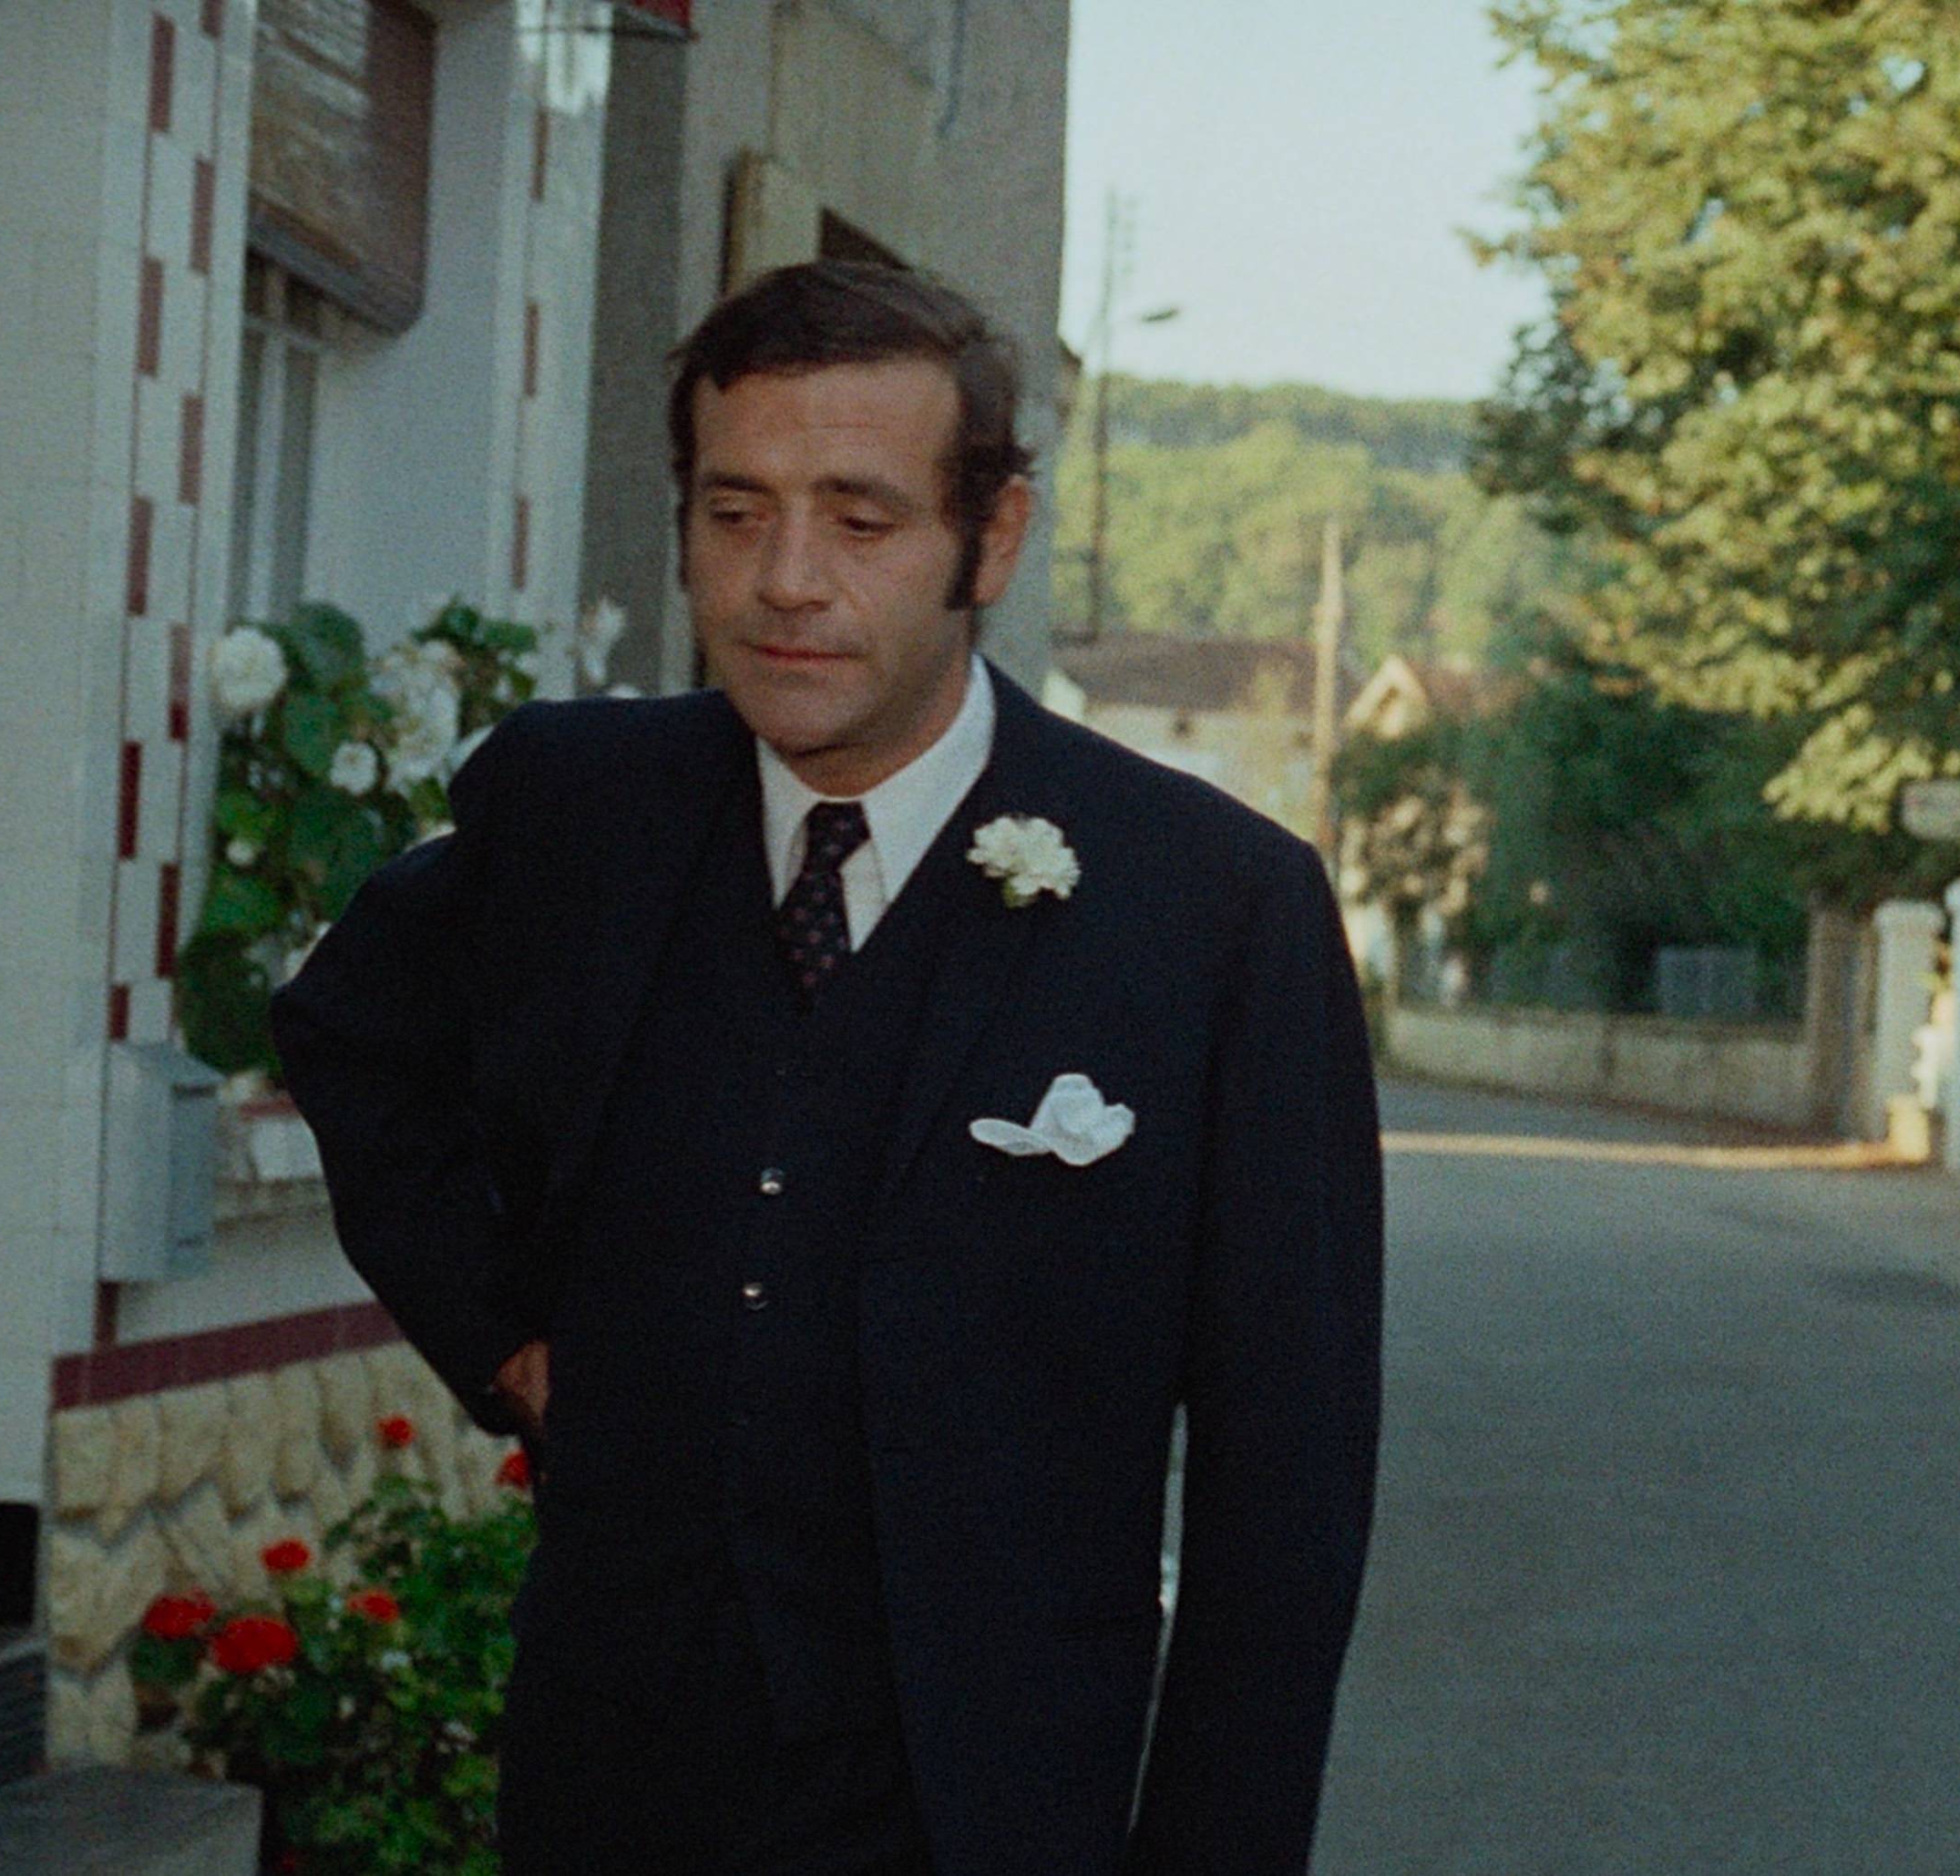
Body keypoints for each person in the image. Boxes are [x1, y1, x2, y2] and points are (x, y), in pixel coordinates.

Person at [273, 261, 1384, 1875]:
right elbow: (353, 1036)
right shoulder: (580, 811)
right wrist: (501, 1337)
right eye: (736, 514)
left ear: (990, 540)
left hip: (1000, 1817)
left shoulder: (1215, 910)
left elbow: (1286, 1494)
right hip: (617, 1796)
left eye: (861, 522)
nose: (787, 580)